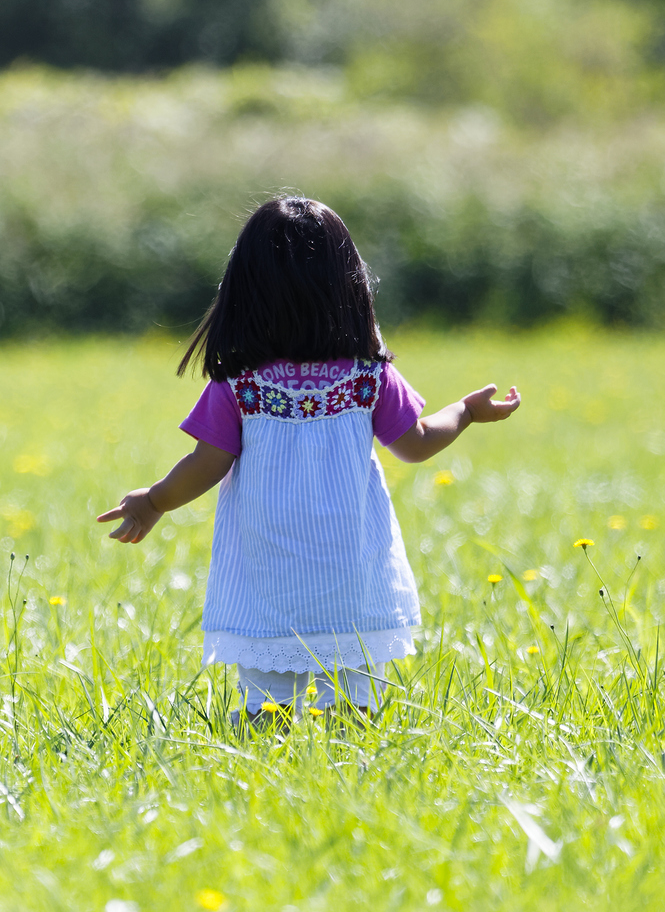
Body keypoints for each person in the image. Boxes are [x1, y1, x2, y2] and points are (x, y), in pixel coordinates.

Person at [96, 197, 521, 725]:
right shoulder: (367, 377)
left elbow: (206, 465)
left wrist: (153, 500)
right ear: (348, 287)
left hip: (269, 582)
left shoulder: (242, 385)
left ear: (244, 290)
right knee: (353, 712)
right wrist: (466, 412)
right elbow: (415, 443)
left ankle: (251, 790)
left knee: (264, 712)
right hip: (352, 578)